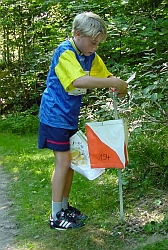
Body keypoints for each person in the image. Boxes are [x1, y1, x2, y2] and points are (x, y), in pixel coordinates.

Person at [38, 11, 127, 230]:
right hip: (54, 116)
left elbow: (105, 76)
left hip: (68, 117)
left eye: (98, 44)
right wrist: (111, 82)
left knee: (71, 164)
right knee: (64, 162)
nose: (95, 47)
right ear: (78, 34)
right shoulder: (65, 52)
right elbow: (78, 81)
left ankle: (64, 207)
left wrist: (116, 84)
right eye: (93, 42)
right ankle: (55, 215)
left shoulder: (90, 56)